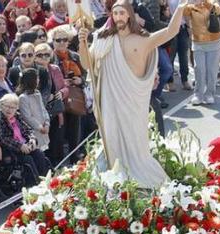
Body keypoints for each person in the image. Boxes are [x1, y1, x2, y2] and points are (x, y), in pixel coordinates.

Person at [79, 0, 186, 189]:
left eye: (122, 13)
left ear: (129, 14)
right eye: (115, 13)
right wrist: (81, 42)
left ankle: (139, 176)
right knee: (112, 138)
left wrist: (181, 7)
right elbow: (87, 64)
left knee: (136, 142)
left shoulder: (143, 39)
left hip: (134, 100)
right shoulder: (103, 40)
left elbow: (171, 31)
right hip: (110, 99)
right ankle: (116, 178)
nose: (118, 17)